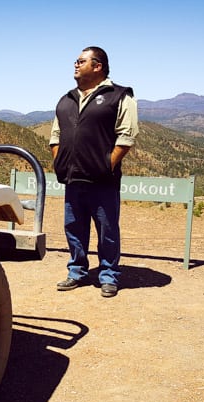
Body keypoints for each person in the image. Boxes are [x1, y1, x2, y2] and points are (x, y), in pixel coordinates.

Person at [49, 46, 139, 298]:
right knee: (73, 229)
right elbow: (55, 135)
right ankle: (76, 271)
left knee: (107, 230)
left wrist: (105, 165)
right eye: (76, 61)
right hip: (72, 179)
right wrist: (60, 162)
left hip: (103, 182)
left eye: (81, 61)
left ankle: (109, 275)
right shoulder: (66, 99)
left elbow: (127, 136)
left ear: (97, 66)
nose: (75, 65)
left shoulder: (119, 95)